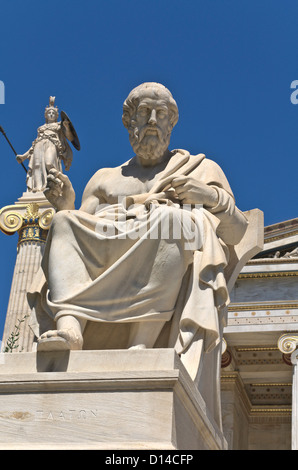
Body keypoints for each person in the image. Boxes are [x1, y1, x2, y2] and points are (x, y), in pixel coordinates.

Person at [29, 83, 248, 425]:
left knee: (172, 221)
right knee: (62, 222)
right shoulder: (105, 179)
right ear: (128, 122)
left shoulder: (200, 170)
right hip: (108, 245)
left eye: (161, 115)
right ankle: (70, 326)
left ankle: (141, 345)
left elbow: (236, 232)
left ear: (171, 126)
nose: (152, 121)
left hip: (163, 245)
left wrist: (208, 197)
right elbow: (79, 225)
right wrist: (65, 203)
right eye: (144, 113)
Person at [16, 97, 74, 192]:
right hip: (39, 145)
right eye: (49, 113)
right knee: (37, 166)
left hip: (52, 144)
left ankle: (56, 185)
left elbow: (71, 138)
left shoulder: (59, 125)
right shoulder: (41, 128)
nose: (51, 114)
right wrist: (24, 156)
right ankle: (38, 188)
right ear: (46, 116)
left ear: (56, 116)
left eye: (53, 113)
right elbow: (34, 145)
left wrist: (67, 127)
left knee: (49, 163)